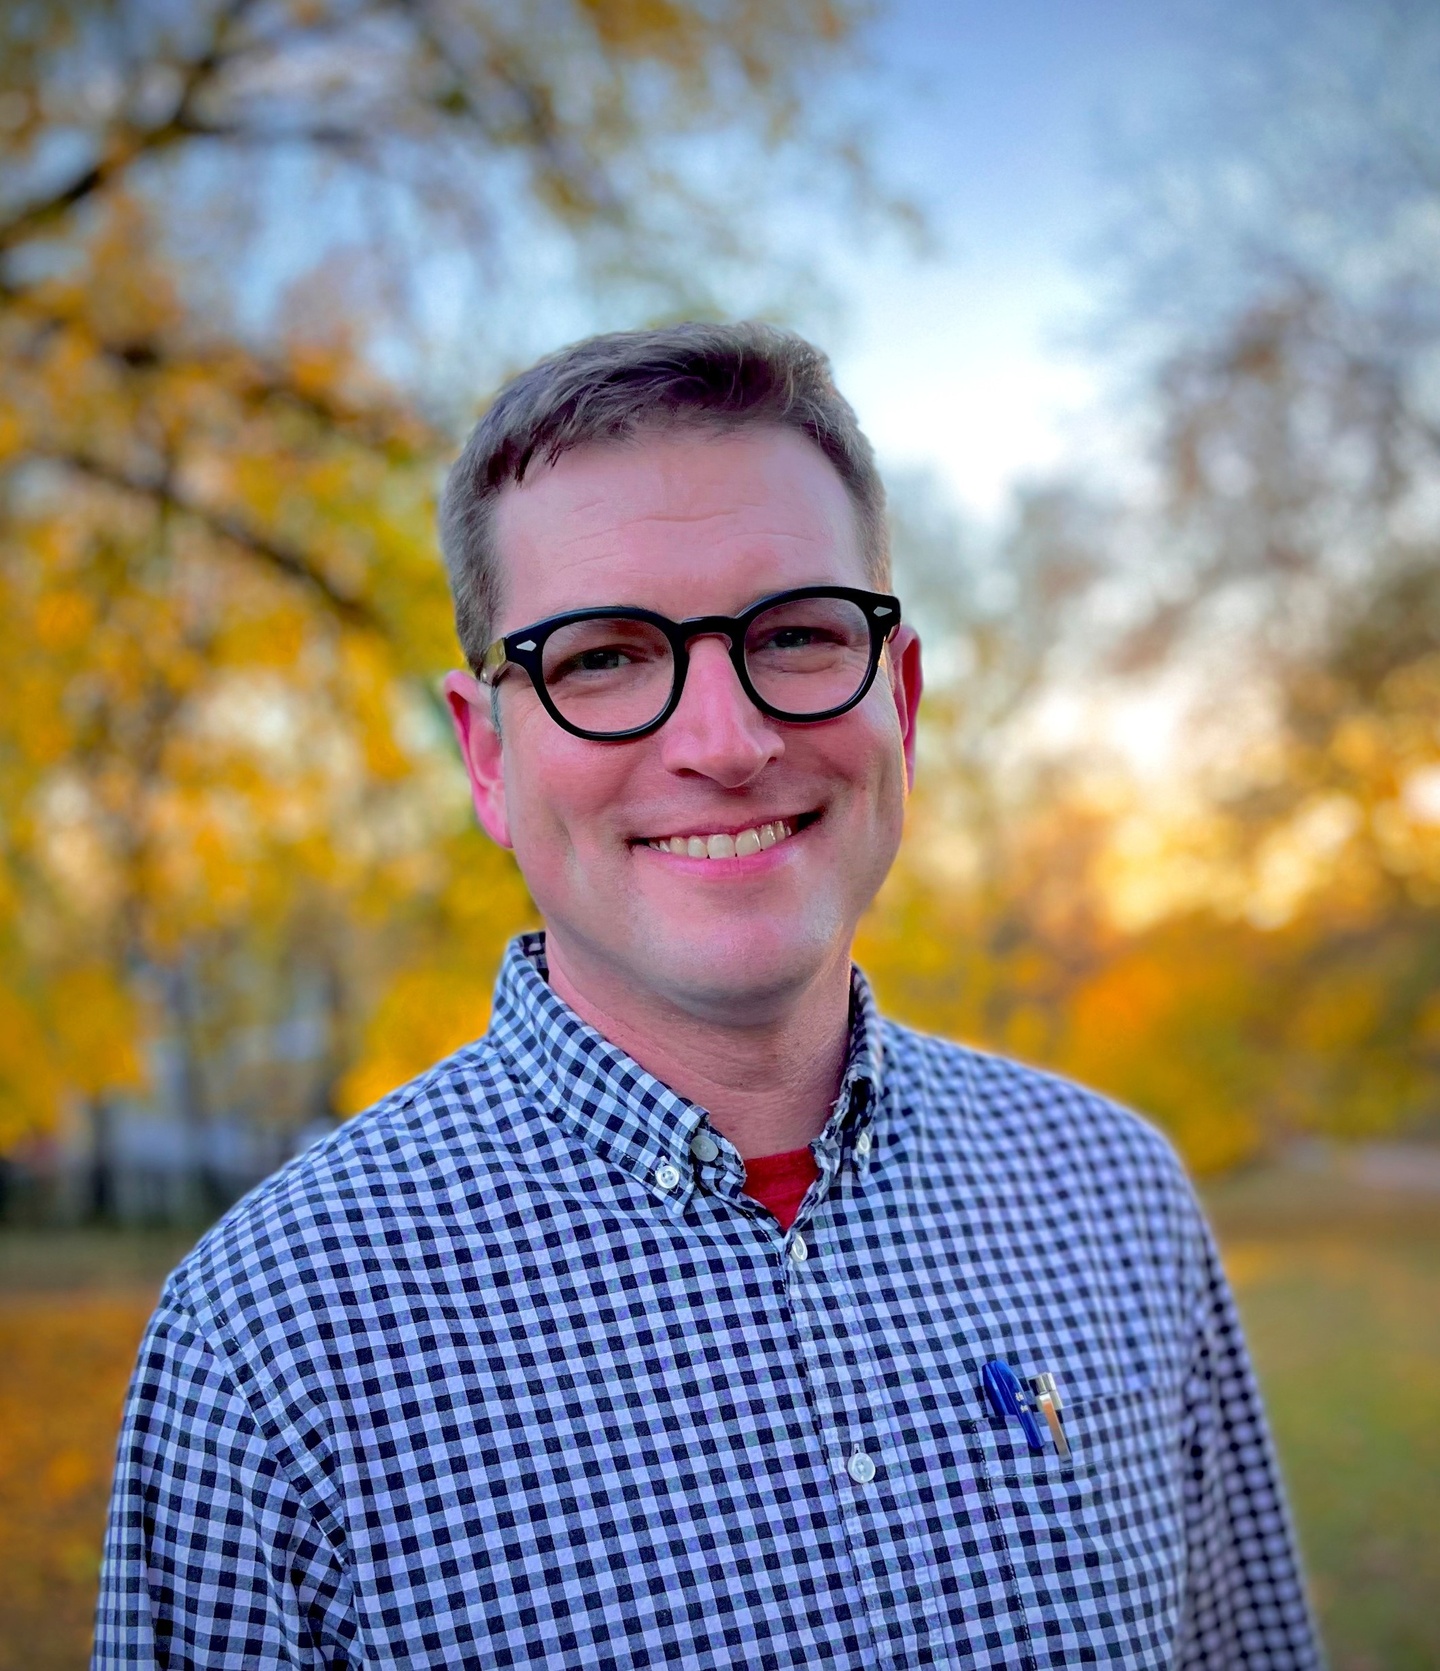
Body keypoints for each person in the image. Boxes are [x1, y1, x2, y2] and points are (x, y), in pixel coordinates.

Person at [95, 323, 1320, 1669]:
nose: (728, 744)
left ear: (899, 705)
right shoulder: (271, 1342)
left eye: (794, 634)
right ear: (488, 754)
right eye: (606, 656)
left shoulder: (1116, 1201)